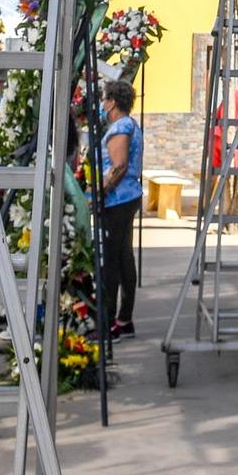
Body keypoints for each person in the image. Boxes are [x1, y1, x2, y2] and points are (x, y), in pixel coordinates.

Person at [95, 78, 144, 339]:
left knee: (112, 262)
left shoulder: (120, 127)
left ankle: (108, 323)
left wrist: (99, 192)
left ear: (112, 102)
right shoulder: (130, 125)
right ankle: (124, 320)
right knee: (125, 258)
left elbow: (119, 165)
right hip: (128, 197)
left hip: (118, 200)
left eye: (104, 99)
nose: (102, 104)